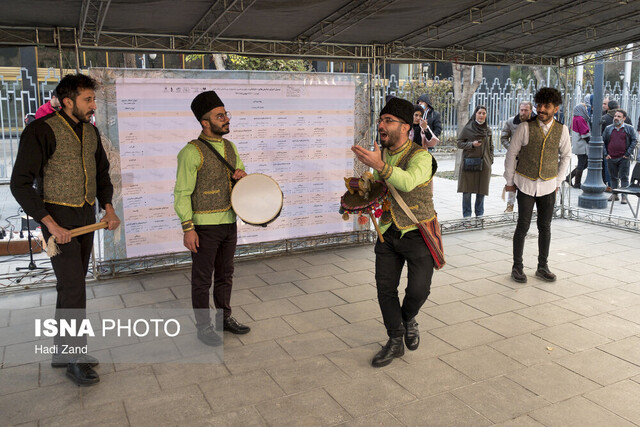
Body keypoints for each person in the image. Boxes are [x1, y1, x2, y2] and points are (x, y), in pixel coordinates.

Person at [10, 74, 121, 386]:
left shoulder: (91, 132)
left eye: (93, 100)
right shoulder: (40, 131)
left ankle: (62, 351)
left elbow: (102, 173)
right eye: (88, 100)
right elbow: (20, 183)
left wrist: (108, 208)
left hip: (85, 217)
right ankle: (75, 357)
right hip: (55, 222)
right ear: (68, 101)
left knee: (70, 286)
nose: (93, 105)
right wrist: (49, 224)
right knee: (74, 287)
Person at [351, 97, 436, 368]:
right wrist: (361, 193)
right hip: (387, 233)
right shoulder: (383, 154)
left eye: (388, 121)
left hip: (418, 231)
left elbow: (409, 182)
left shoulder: (422, 157)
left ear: (405, 127)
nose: (381, 125)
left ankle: (408, 317)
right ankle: (395, 339)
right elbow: (377, 184)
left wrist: (379, 166)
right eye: (380, 120)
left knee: (419, 290)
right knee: (385, 289)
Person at [174, 90, 251, 346]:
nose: (226, 119)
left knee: (226, 275)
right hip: (204, 228)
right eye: (220, 116)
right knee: (202, 279)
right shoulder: (190, 152)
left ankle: (223, 318)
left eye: (225, 114)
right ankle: (203, 326)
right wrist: (188, 228)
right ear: (205, 122)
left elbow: (241, 179)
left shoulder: (231, 147)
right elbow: (182, 193)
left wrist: (241, 176)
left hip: (229, 223)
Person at [504, 88, 571, 284]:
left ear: (555, 109)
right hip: (525, 182)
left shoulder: (562, 130)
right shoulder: (525, 128)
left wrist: (558, 181)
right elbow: (511, 154)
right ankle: (517, 267)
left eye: (546, 106)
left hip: (549, 185)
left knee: (545, 227)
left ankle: (543, 266)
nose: (541, 109)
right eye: (539, 105)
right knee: (522, 226)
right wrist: (509, 182)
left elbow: (566, 156)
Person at [457, 105, 493, 218]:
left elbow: (491, 146)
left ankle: (479, 213)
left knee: (481, 189)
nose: (481, 115)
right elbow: (459, 143)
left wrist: (490, 159)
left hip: (484, 163)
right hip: (469, 162)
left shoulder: (488, 129)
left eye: (483, 113)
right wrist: (471, 144)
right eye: (479, 113)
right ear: (475, 114)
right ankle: (467, 214)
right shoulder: (468, 128)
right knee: (467, 189)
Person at [501, 101, 534, 212]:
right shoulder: (511, 122)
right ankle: (510, 204)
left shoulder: (538, 122)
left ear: (530, 110)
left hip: (531, 159)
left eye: (526, 110)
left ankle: (526, 207)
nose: (523, 112)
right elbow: (503, 138)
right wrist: (512, 148)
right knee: (511, 180)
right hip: (514, 159)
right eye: (521, 110)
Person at [603, 109, 638, 205]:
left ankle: (624, 196)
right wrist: (606, 154)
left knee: (624, 178)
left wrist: (627, 154)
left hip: (623, 158)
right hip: (611, 158)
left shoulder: (629, 128)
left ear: (624, 118)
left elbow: (634, 140)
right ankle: (615, 194)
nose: (616, 118)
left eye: (619, 116)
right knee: (613, 177)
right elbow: (604, 142)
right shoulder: (608, 128)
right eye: (615, 116)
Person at [567, 103, 590, 189]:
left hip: (578, 144)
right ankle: (577, 183)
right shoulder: (580, 119)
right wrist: (591, 141)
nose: (586, 110)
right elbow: (584, 133)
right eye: (585, 108)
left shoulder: (575, 118)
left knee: (584, 163)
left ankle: (569, 177)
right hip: (582, 145)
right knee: (582, 163)